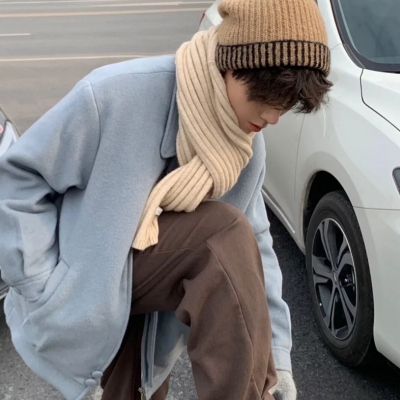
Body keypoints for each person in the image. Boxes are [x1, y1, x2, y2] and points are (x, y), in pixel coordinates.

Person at [0, 0, 332, 399]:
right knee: (221, 236)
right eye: (268, 95)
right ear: (233, 64)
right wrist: (42, 283)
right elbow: (18, 180)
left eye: (287, 104)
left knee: (231, 241)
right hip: (87, 287)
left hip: (151, 315)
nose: (273, 116)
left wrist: (276, 356)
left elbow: (256, 250)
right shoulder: (116, 95)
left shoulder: (243, 146)